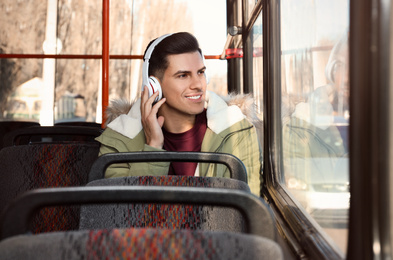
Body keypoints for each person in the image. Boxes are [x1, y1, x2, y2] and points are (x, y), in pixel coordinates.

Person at [96, 32, 262, 196]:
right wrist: (153, 147)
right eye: (183, 75)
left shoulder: (236, 132)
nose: (198, 84)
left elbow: (245, 212)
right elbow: (123, 213)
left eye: (201, 72)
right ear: (154, 86)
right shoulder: (118, 141)